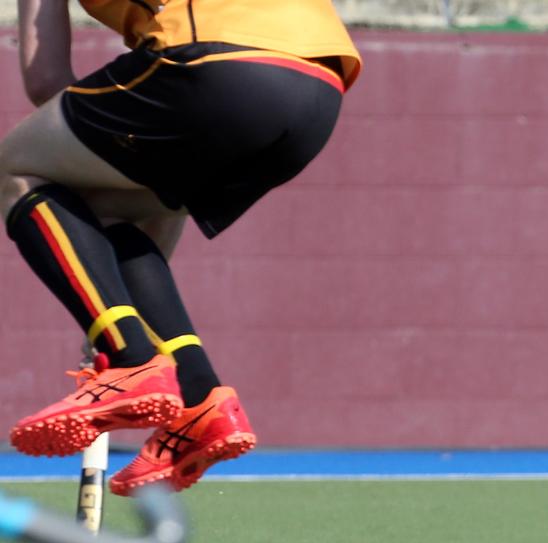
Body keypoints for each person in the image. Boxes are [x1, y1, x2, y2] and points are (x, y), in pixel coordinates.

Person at [1, 0, 361, 495]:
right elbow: (149, 214)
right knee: (121, 208)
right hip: (317, 93)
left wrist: (115, 336)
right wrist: (114, 304)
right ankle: (199, 400)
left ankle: (130, 360)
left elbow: (47, 84)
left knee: (15, 171)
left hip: (219, 64)